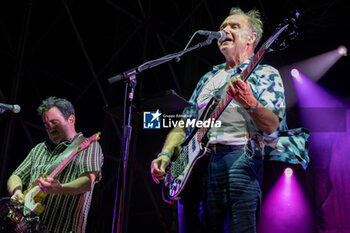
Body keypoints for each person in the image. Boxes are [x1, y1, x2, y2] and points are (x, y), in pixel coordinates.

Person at [151, 7, 289, 233]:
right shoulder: (207, 77)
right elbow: (184, 124)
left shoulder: (264, 73)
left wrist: (250, 103)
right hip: (198, 165)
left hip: (238, 158)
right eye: (223, 26)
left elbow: (272, 125)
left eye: (234, 26)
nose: (224, 29)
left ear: (251, 38)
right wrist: (166, 154)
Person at [7, 96, 104, 233]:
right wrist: (16, 191)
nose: (50, 128)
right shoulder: (39, 149)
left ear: (71, 119)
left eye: (54, 122)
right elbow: (16, 175)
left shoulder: (88, 146)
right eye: (46, 125)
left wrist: (59, 188)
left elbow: (88, 182)